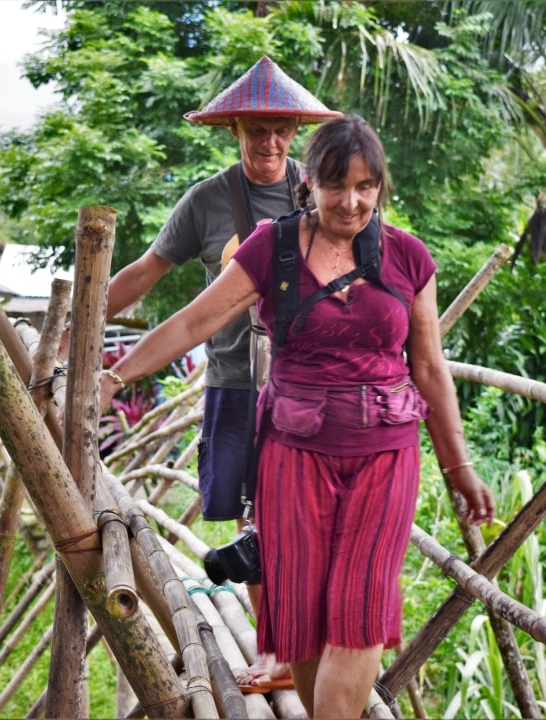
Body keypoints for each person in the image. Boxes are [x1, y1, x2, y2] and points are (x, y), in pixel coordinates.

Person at [101, 115, 495, 716]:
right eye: (338, 185)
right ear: (308, 182)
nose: (353, 200)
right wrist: (114, 375)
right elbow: (191, 322)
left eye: (367, 187)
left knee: (359, 614)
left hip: (385, 453)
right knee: (303, 615)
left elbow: (430, 368)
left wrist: (458, 464)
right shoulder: (272, 247)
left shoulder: (409, 258)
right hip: (292, 453)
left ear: (382, 187)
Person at [97, 56, 339, 689]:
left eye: (282, 130)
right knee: (251, 524)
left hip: (305, 388)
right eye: (257, 129)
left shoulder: (322, 196)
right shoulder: (207, 200)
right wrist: (80, 317)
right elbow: (146, 273)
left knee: (305, 515)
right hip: (234, 381)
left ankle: (308, 647)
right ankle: (274, 650)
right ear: (235, 129)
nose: (271, 143)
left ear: (296, 133)